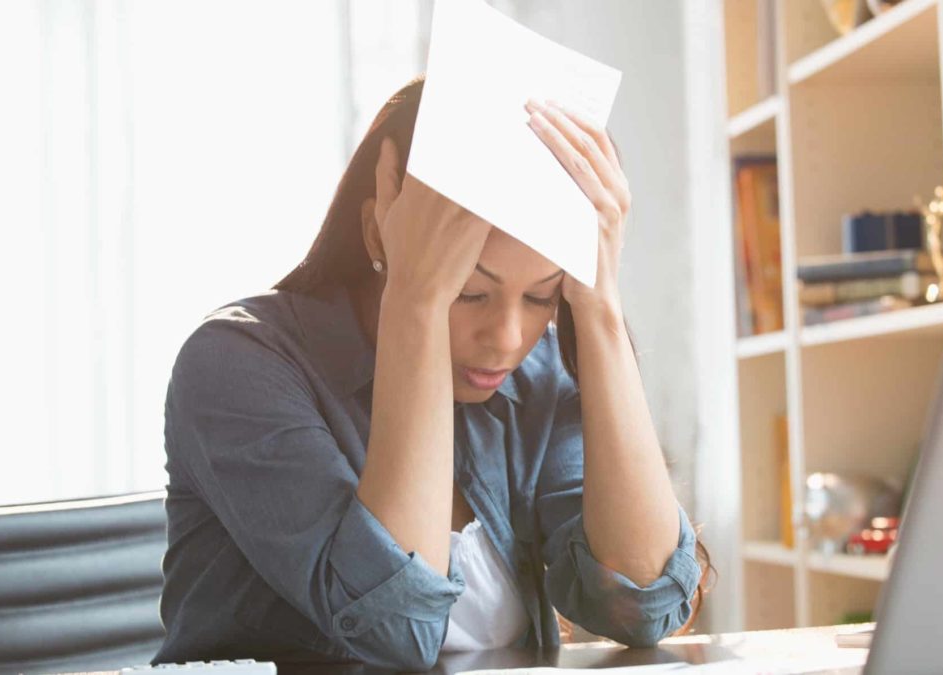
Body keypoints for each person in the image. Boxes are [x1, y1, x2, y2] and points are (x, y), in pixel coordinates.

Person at [154, 76, 711, 671]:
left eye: (542, 298)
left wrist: (597, 309)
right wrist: (416, 299)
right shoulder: (236, 365)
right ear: (379, 234)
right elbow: (399, 630)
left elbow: (642, 607)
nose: (507, 340)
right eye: (471, 294)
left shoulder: (541, 376)